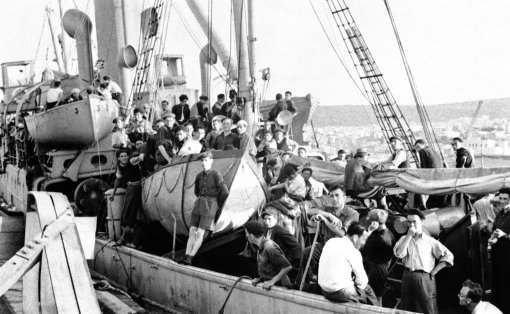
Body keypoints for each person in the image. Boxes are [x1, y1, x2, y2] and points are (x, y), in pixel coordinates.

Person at [393, 209, 454, 314]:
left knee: (428, 308)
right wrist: (408, 236)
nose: (411, 224)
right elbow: (399, 254)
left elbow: (448, 256)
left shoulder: (430, 241)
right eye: (409, 222)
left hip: (424, 277)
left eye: (414, 221)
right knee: (406, 307)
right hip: (407, 276)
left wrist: (434, 271)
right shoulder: (404, 239)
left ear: (421, 221)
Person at [183, 151, 229, 265]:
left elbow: (225, 192)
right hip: (199, 204)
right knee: (192, 231)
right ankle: (186, 254)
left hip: (211, 205)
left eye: (206, 160)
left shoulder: (216, 174)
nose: (204, 163)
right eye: (202, 161)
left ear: (211, 161)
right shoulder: (199, 175)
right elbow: (196, 192)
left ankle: (190, 257)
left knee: (200, 233)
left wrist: (216, 203)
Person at [318, 222, 378, 304]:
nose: (364, 243)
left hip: (324, 288)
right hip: (339, 291)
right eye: (363, 240)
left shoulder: (331, 241)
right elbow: (362, 281)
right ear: (355, 238)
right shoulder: (354, 251)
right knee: (367, 289)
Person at [110, 150, 144, 247]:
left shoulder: (131, 161)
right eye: (122, 156)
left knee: (132, 214)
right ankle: (127, 239)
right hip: (130, 189)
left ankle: (125, 239)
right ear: (119, 158)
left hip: (137, 188)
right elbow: (118, 179)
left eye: (126, 156)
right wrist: (113, 193)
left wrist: (140, 156)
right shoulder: (119, 167)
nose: (124, 157)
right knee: (127, 214)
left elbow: (141, 156)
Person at [245, 221, 293, 290]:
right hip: (272, 285)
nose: (246, 236)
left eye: (246, 233)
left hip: (281, 286)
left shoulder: (269, 248)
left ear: (252, 236)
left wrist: (272, 282)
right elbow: (270, 268)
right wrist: (260, 279)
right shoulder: (260, 247)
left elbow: (287, 267)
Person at [362, 209, 395, 303]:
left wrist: (369, 231)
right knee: (377, 296)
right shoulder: (389, 234)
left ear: (375, 222)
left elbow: (361, 245)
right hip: (382, 269)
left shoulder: (379, 238)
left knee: (373, 298)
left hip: (374, 270)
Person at [262, 208, 303, 282]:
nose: (266, 222)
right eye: (265, 219)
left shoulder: (280, 231)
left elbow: (296, 246)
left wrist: (290, 261)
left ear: (276, 219)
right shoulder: (267, 230)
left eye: (269, 219)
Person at [487, 188, 510, 313]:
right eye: (500, 198)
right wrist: (492, 239)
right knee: (499, 287)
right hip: (499, 258)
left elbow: (503, 234)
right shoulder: (501, 214)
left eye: (504, 199)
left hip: (508, 259)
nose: (501, 201)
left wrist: (504, 235)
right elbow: (496, 231)